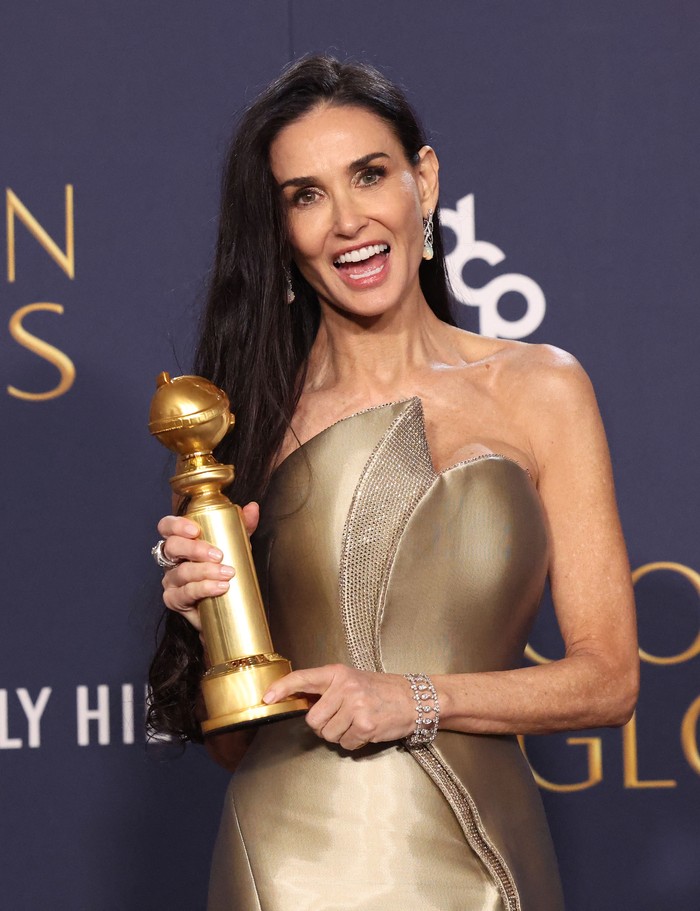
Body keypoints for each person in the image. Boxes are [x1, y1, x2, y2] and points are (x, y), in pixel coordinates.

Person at [148, 55, 639, 911]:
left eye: (369, 175)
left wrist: (413, 698)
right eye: (306, 196)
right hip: (291, 862)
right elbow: (239, 746)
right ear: (281, 230)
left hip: (487, 851)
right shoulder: (247, 425)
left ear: (425, 180)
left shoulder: (543, 388)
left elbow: (609, 680)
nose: (348, 221)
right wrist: (208, 628)